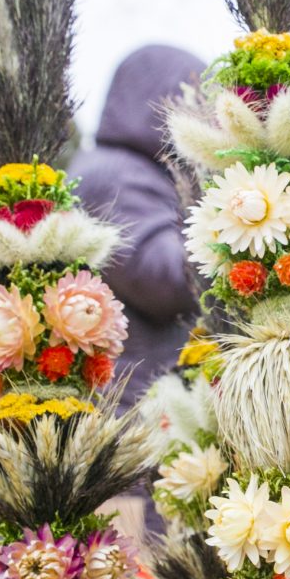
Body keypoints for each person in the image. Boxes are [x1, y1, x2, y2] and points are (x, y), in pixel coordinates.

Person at [70, 44, 205, 400]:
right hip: (134, 403)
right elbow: (167, 279)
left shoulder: (129, 172)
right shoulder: (115, 178)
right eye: (198, 102)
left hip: (140, 392)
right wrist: (237, 236)